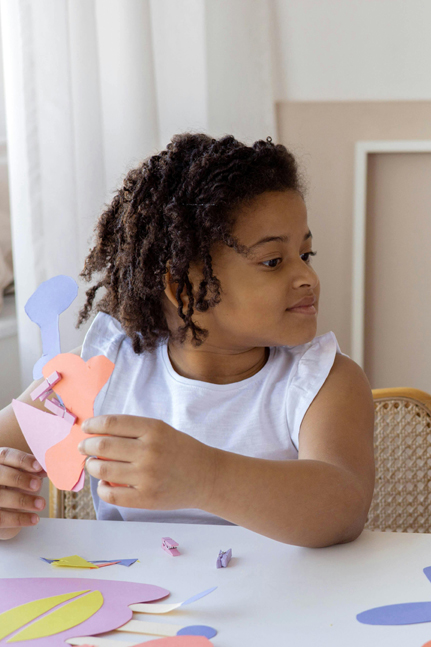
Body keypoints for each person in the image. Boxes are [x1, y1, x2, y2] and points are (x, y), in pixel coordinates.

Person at [0, 134, 374, 546]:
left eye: (305, 255)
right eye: (272, 261)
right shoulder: (104, 369)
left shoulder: (323, 380)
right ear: (182, 289)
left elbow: (342, 508)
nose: (307, 277)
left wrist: (205, 476)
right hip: (140, 601)